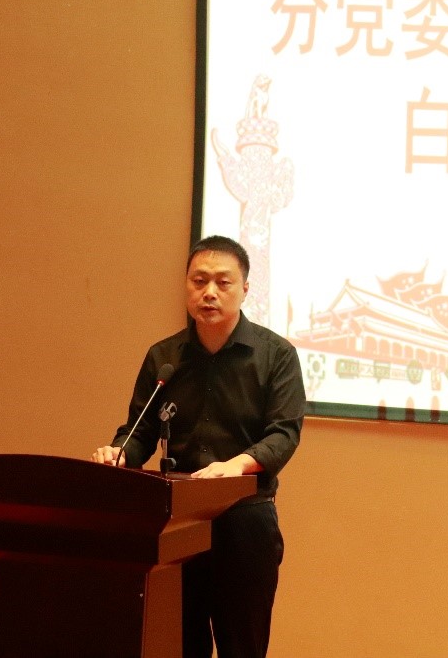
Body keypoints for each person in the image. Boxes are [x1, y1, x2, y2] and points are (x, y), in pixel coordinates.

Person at [92, 235, 305, 658]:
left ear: (245, 289)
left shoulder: (276, 355)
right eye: (199, 281)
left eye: (223, 282)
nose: (209, 292)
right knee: (180, 644)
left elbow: (284, 432)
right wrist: (120, 452)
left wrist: (239, 464)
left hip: (245, 520)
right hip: (178, 521)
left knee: (242, 645)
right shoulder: (164, 356)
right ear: (186, 285)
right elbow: (140, 429)